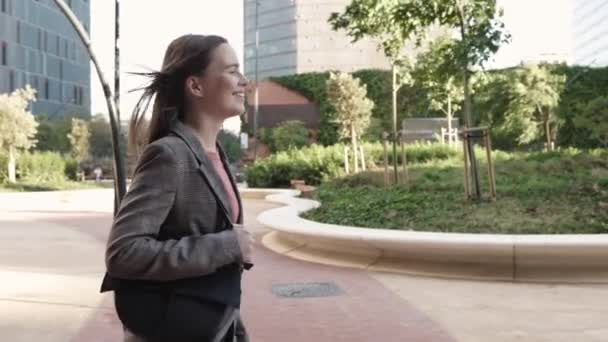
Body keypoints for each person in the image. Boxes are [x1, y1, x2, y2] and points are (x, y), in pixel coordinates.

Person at [100, 34, 254, 342]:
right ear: (195, 86)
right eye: (232, 71)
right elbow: (124, 252)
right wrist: (226, 245)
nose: (244, 81)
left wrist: (235, 330)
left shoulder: (216, 155)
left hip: (210, 323)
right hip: (172, 327)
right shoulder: (169, 155)